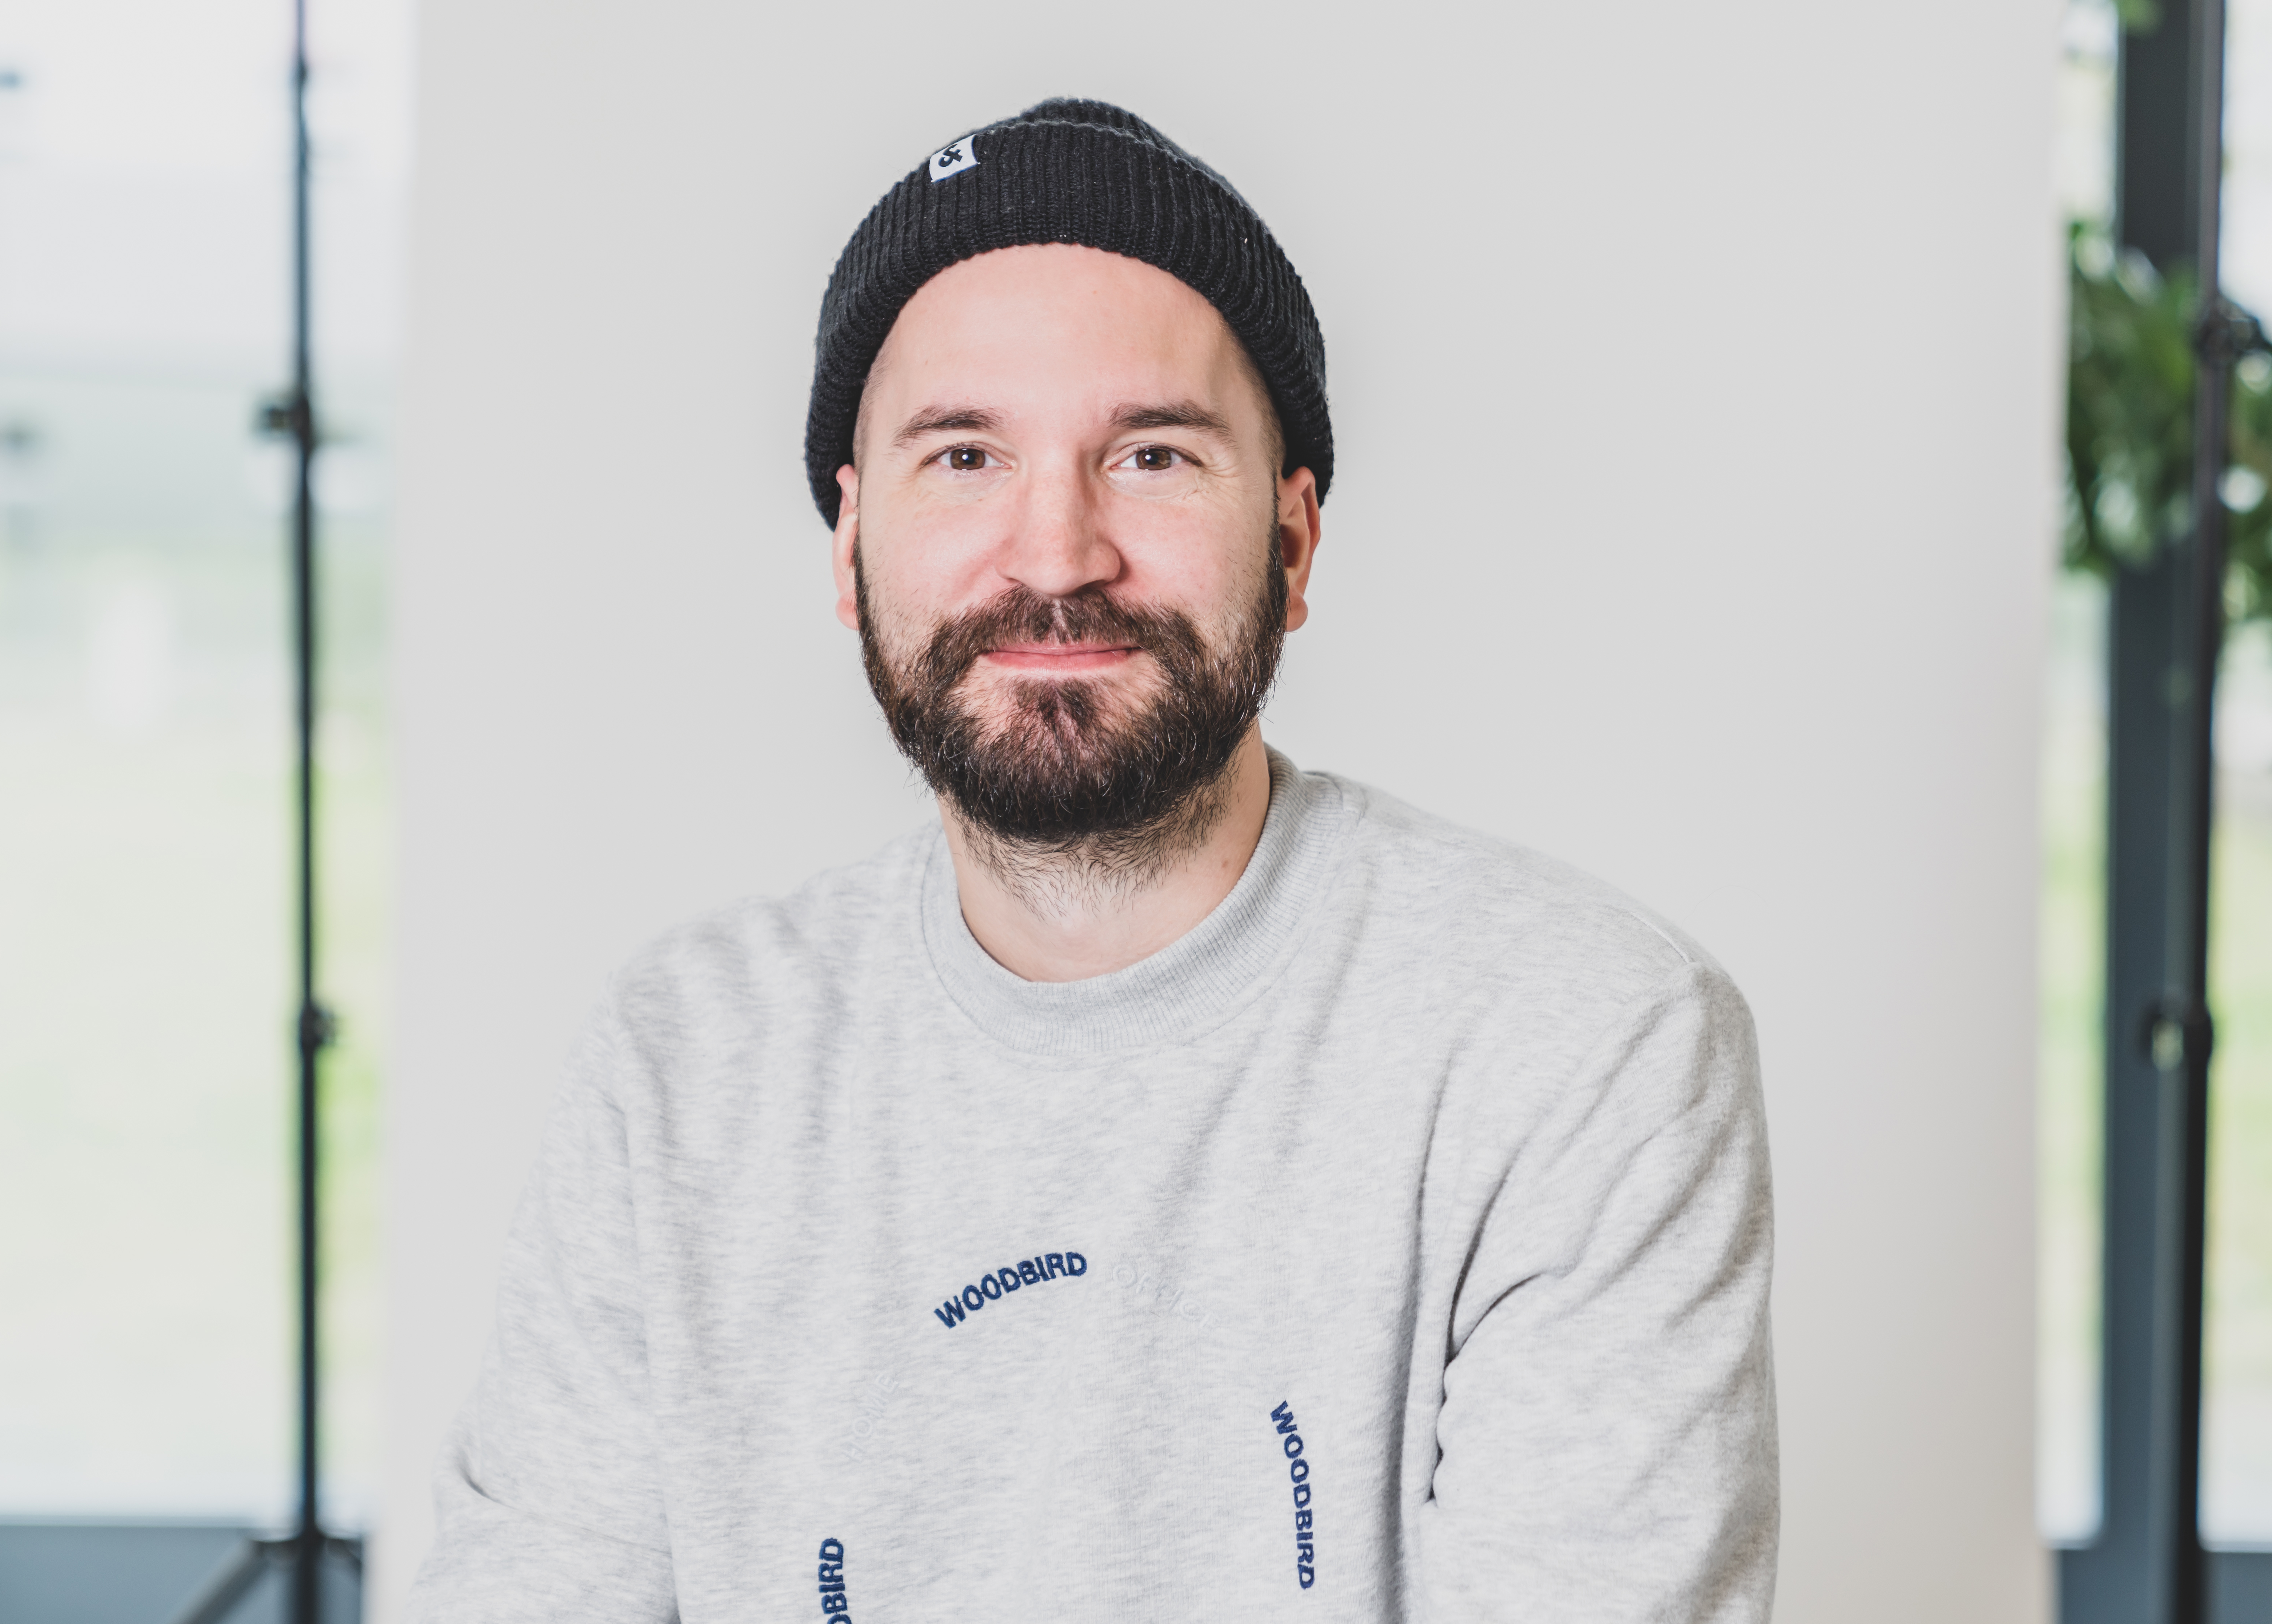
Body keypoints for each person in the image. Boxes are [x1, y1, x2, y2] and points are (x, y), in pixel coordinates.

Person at [406, 98, 1777, 1623]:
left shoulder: (1578, 1044)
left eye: (1151, 454)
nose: (1056, 555)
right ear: (850, 549)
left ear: (1294, 540)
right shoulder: (684, 1063)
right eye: (967, 454)